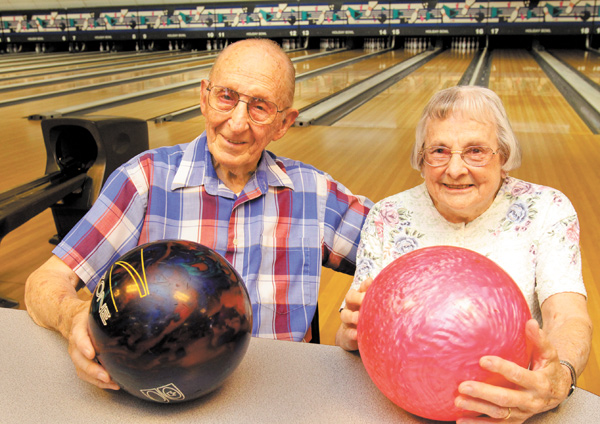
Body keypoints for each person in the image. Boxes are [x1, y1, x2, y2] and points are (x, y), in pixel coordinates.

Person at [25, 38, 372, 391]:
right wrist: (72, 319)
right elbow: (43, 283)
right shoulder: (145, 181)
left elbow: (410, 245)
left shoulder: (314, 194)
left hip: (281, 394)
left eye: (260, 107)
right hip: (161, 393)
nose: (237, 123)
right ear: (204, 97)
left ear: (283, 123)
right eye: (226, 97)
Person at [337, 86, 592, 423]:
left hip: (510, 410)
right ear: (421, 158)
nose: (455, 169)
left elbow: (567, 317)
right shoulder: (389, 215)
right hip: (402, 406)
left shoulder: (546, 209)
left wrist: (561, 376)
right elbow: (350, 329)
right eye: (439, 151)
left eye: (475, 151)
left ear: (503, 155)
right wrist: (350, 333)